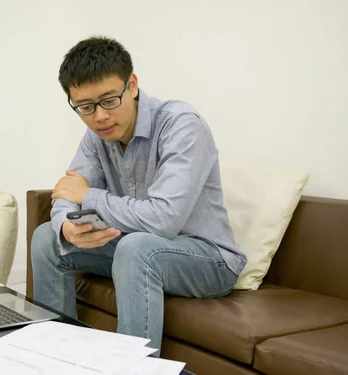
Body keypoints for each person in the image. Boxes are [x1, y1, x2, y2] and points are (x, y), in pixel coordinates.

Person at [31, 36, 247, 354]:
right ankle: (56, 358)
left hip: (209, 259)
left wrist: (88, 197)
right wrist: (65, 224)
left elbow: (162, 219)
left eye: (108, 100)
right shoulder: (96, 135)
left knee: (136, 248)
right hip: (140, 246)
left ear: (131, 85)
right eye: (85, 107)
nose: (99, 117)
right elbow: (67, 193)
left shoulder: (181, 124)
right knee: (46, 238)